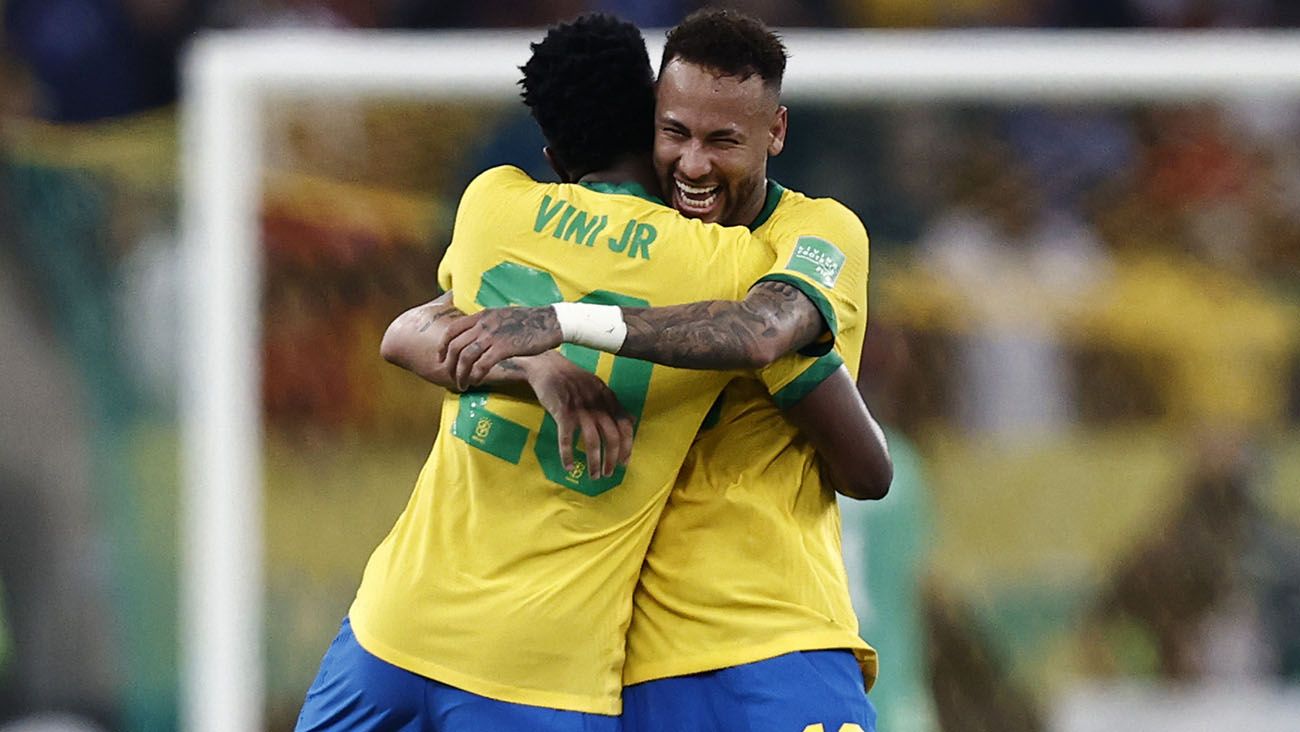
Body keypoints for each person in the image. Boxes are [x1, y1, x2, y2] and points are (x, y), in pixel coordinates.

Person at [295, 13, 885, 732]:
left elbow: (409, 330)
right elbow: (864, 466)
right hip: (622, 664)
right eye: (677, 134)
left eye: (722, 139)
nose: (695, 164)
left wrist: (558, 329)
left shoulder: (498, 209)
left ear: (776, 131)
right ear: (646, 127)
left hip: (767, 633)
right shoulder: (726, 265)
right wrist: (540, 365)